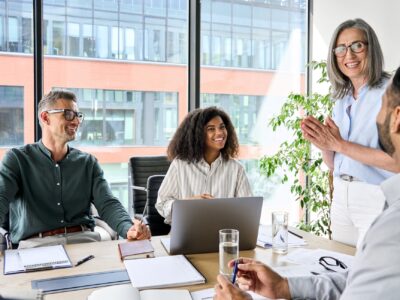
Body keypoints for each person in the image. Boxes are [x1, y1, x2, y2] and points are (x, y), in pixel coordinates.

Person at [213, 66, 400, 300]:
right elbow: (361, 280)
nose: (374, 116)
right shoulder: (392, 214)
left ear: (397, 118)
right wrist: (285, 287)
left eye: (381, 103)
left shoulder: (392, 227)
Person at [0, 89, 150, 248]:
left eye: (78, 116)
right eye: (68, 114)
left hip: (85, 241)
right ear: (45, 117)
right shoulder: (17, 159)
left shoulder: (88, 163)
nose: (76, 122)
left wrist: (129, 229)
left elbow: (108, 204)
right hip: (36, 246)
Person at [300, 18, 399, 247]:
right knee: (340, 268)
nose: (349, 55)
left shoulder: (392, 91)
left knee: (371, 276)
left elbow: (397, 162)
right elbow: (337, 163)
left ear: (370, 48)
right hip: (342, 197)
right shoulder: (341, 97)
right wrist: (324, 144)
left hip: (377, 197)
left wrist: (338, 144)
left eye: (357, 46)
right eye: (341, 49)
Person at [155, 107, 252, 224]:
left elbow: (249, 210)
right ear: (198, 134)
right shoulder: (180, 165)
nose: (220, 132)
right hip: (188, 234)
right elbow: (162, 204)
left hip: (224, 235)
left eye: (222, 127)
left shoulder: (236, 168)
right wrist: (188, 203)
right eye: (211, 129)